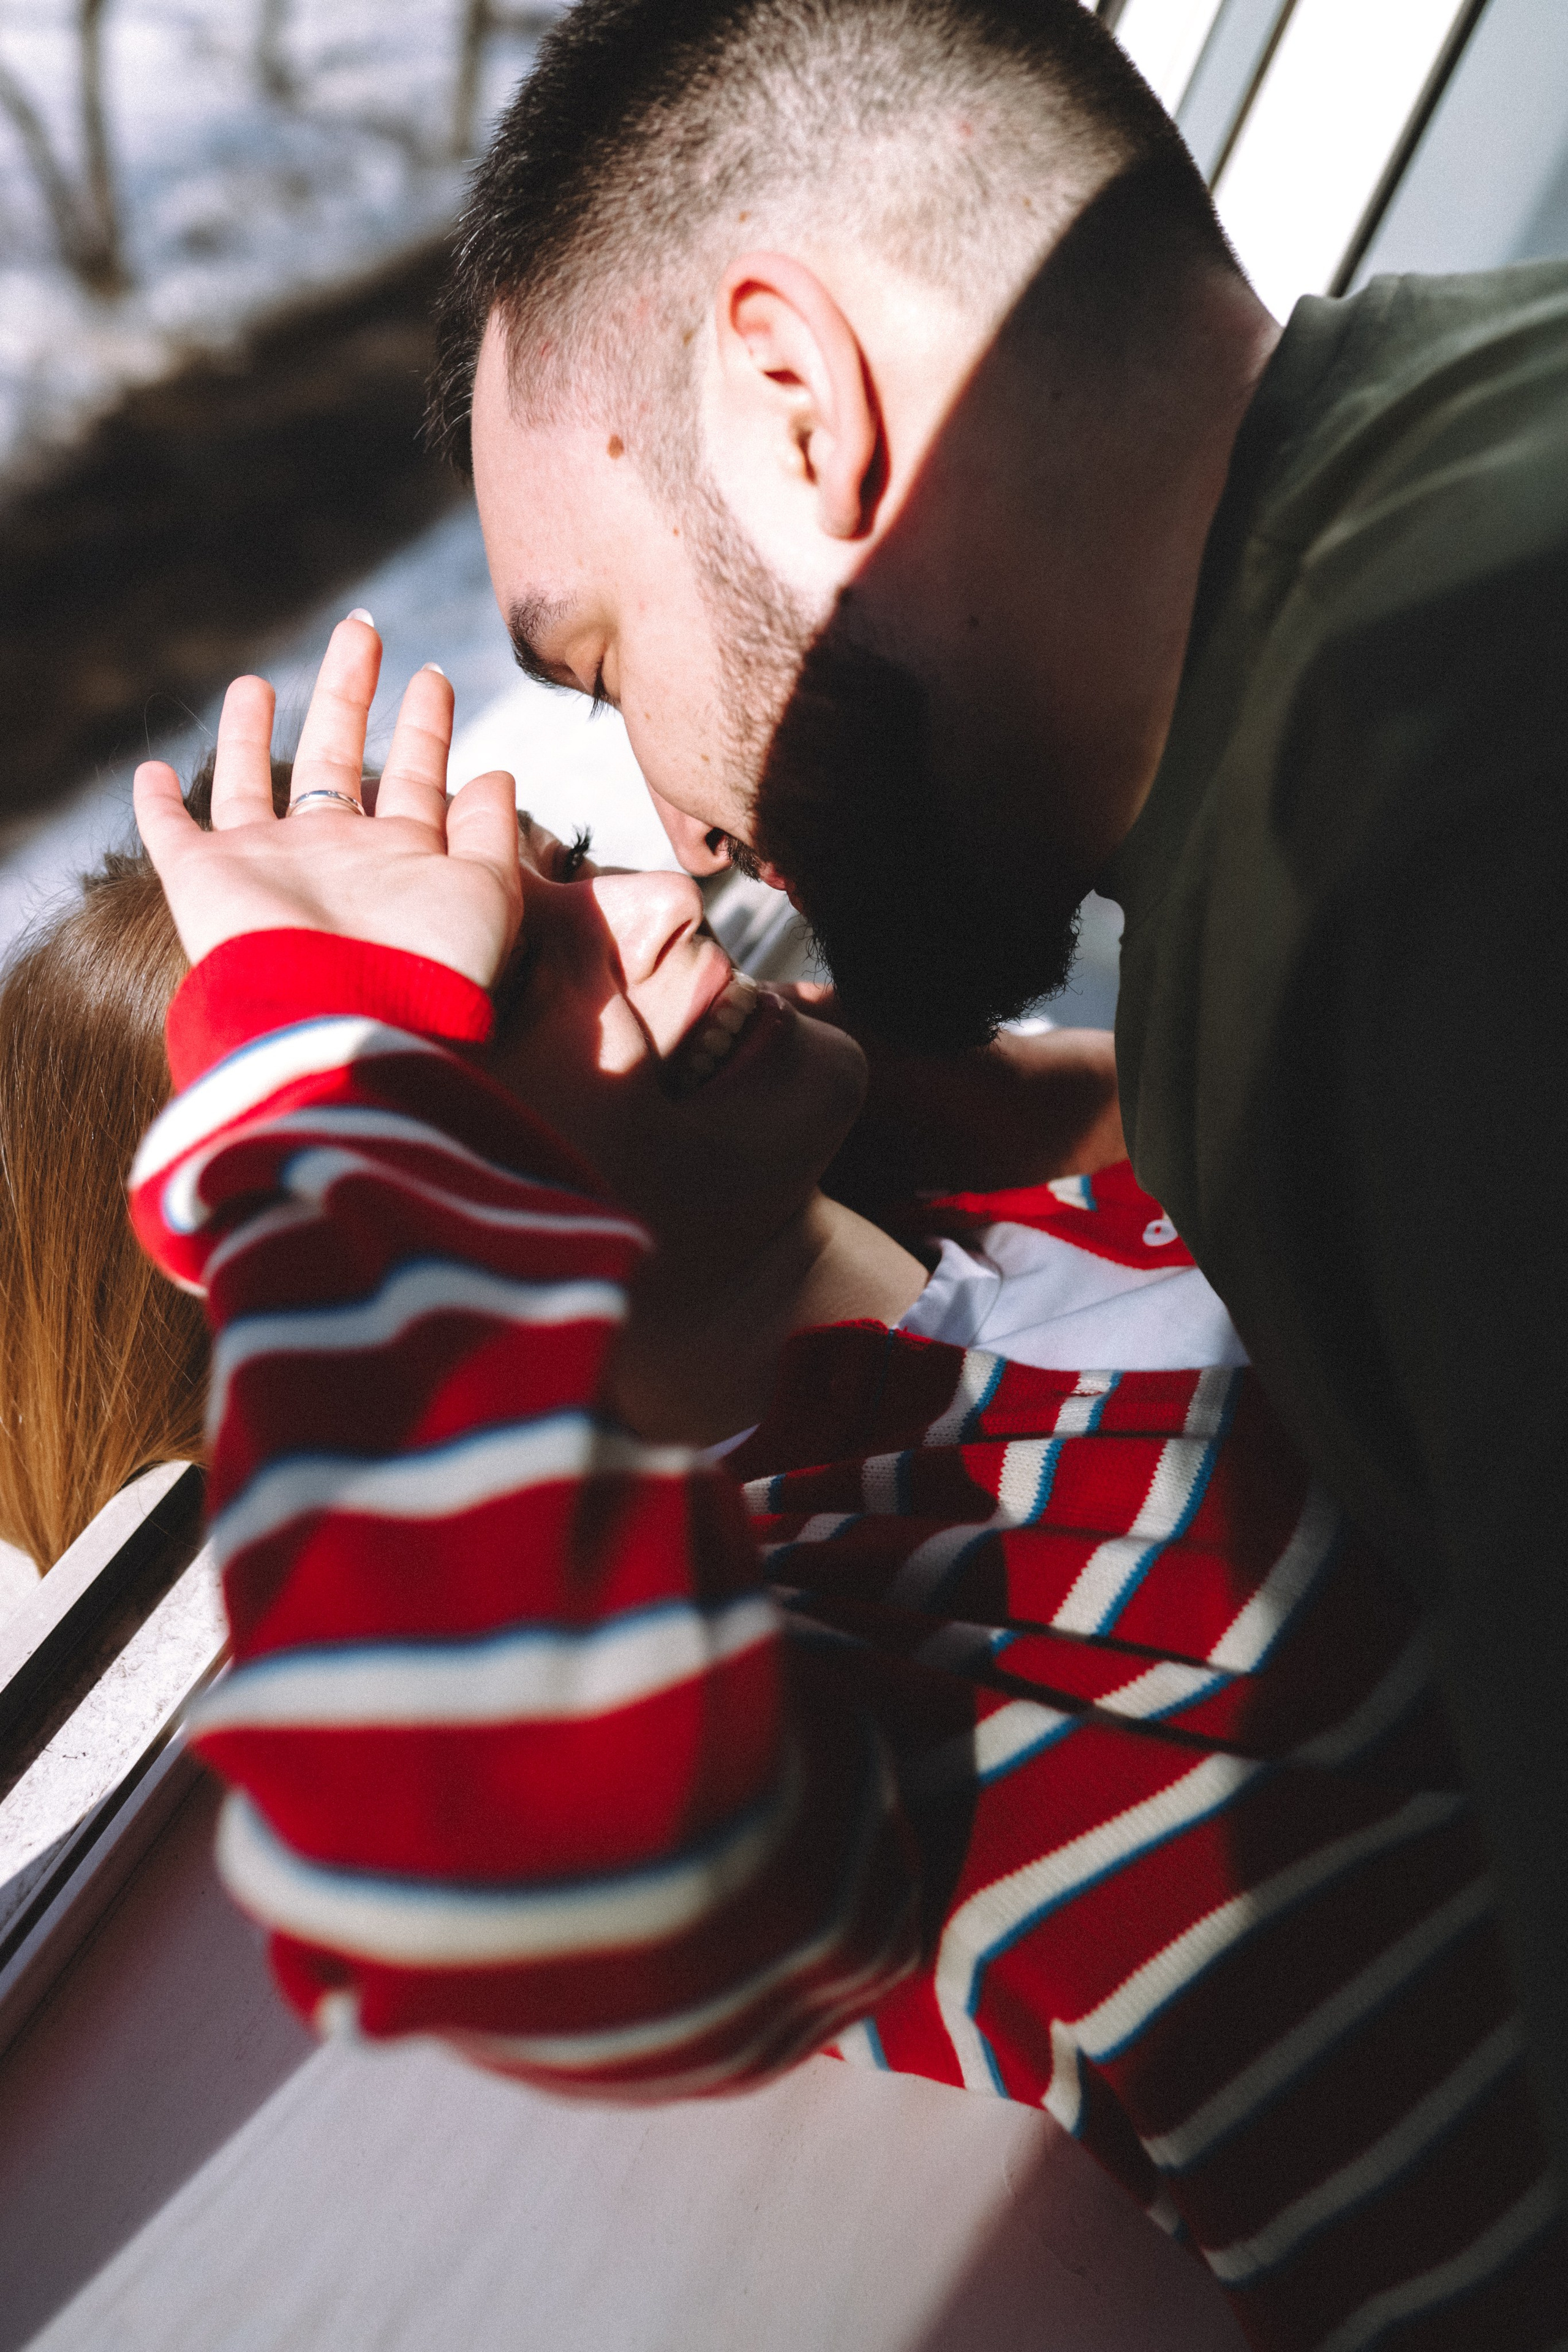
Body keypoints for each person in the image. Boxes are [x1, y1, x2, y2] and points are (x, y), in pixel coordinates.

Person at [119, 619, 1566, 2350]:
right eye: (510, 979)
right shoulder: (832, 1630)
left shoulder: (1059, 1212)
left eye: (580, 871)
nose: (667, 900)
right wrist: (323, 1092)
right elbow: (498, 1801)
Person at [426, 0, 1568, 2184]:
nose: (675, 828)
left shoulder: (1408, 882)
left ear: (794, 405)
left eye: (593, 661)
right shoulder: (1461, 476)